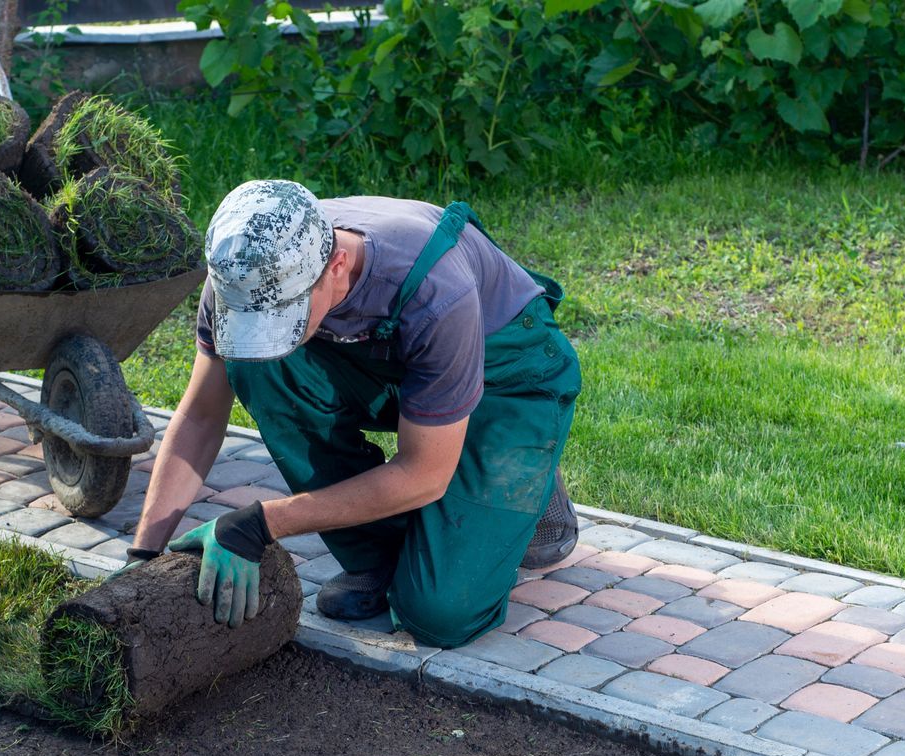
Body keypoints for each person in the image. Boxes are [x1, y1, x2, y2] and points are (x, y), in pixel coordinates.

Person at [124, 180, 581, 647]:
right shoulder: (247, 272)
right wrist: (144, 554)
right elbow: (201, 416)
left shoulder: (438, 290)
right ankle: (384, 554)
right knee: (256, 367)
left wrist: (261, 523)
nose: (269, 333)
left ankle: (524, 474)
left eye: (284, 319)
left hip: (508, 379)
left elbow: (424, 474)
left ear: (337, 266)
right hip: (400, 370)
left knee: (439, 614)